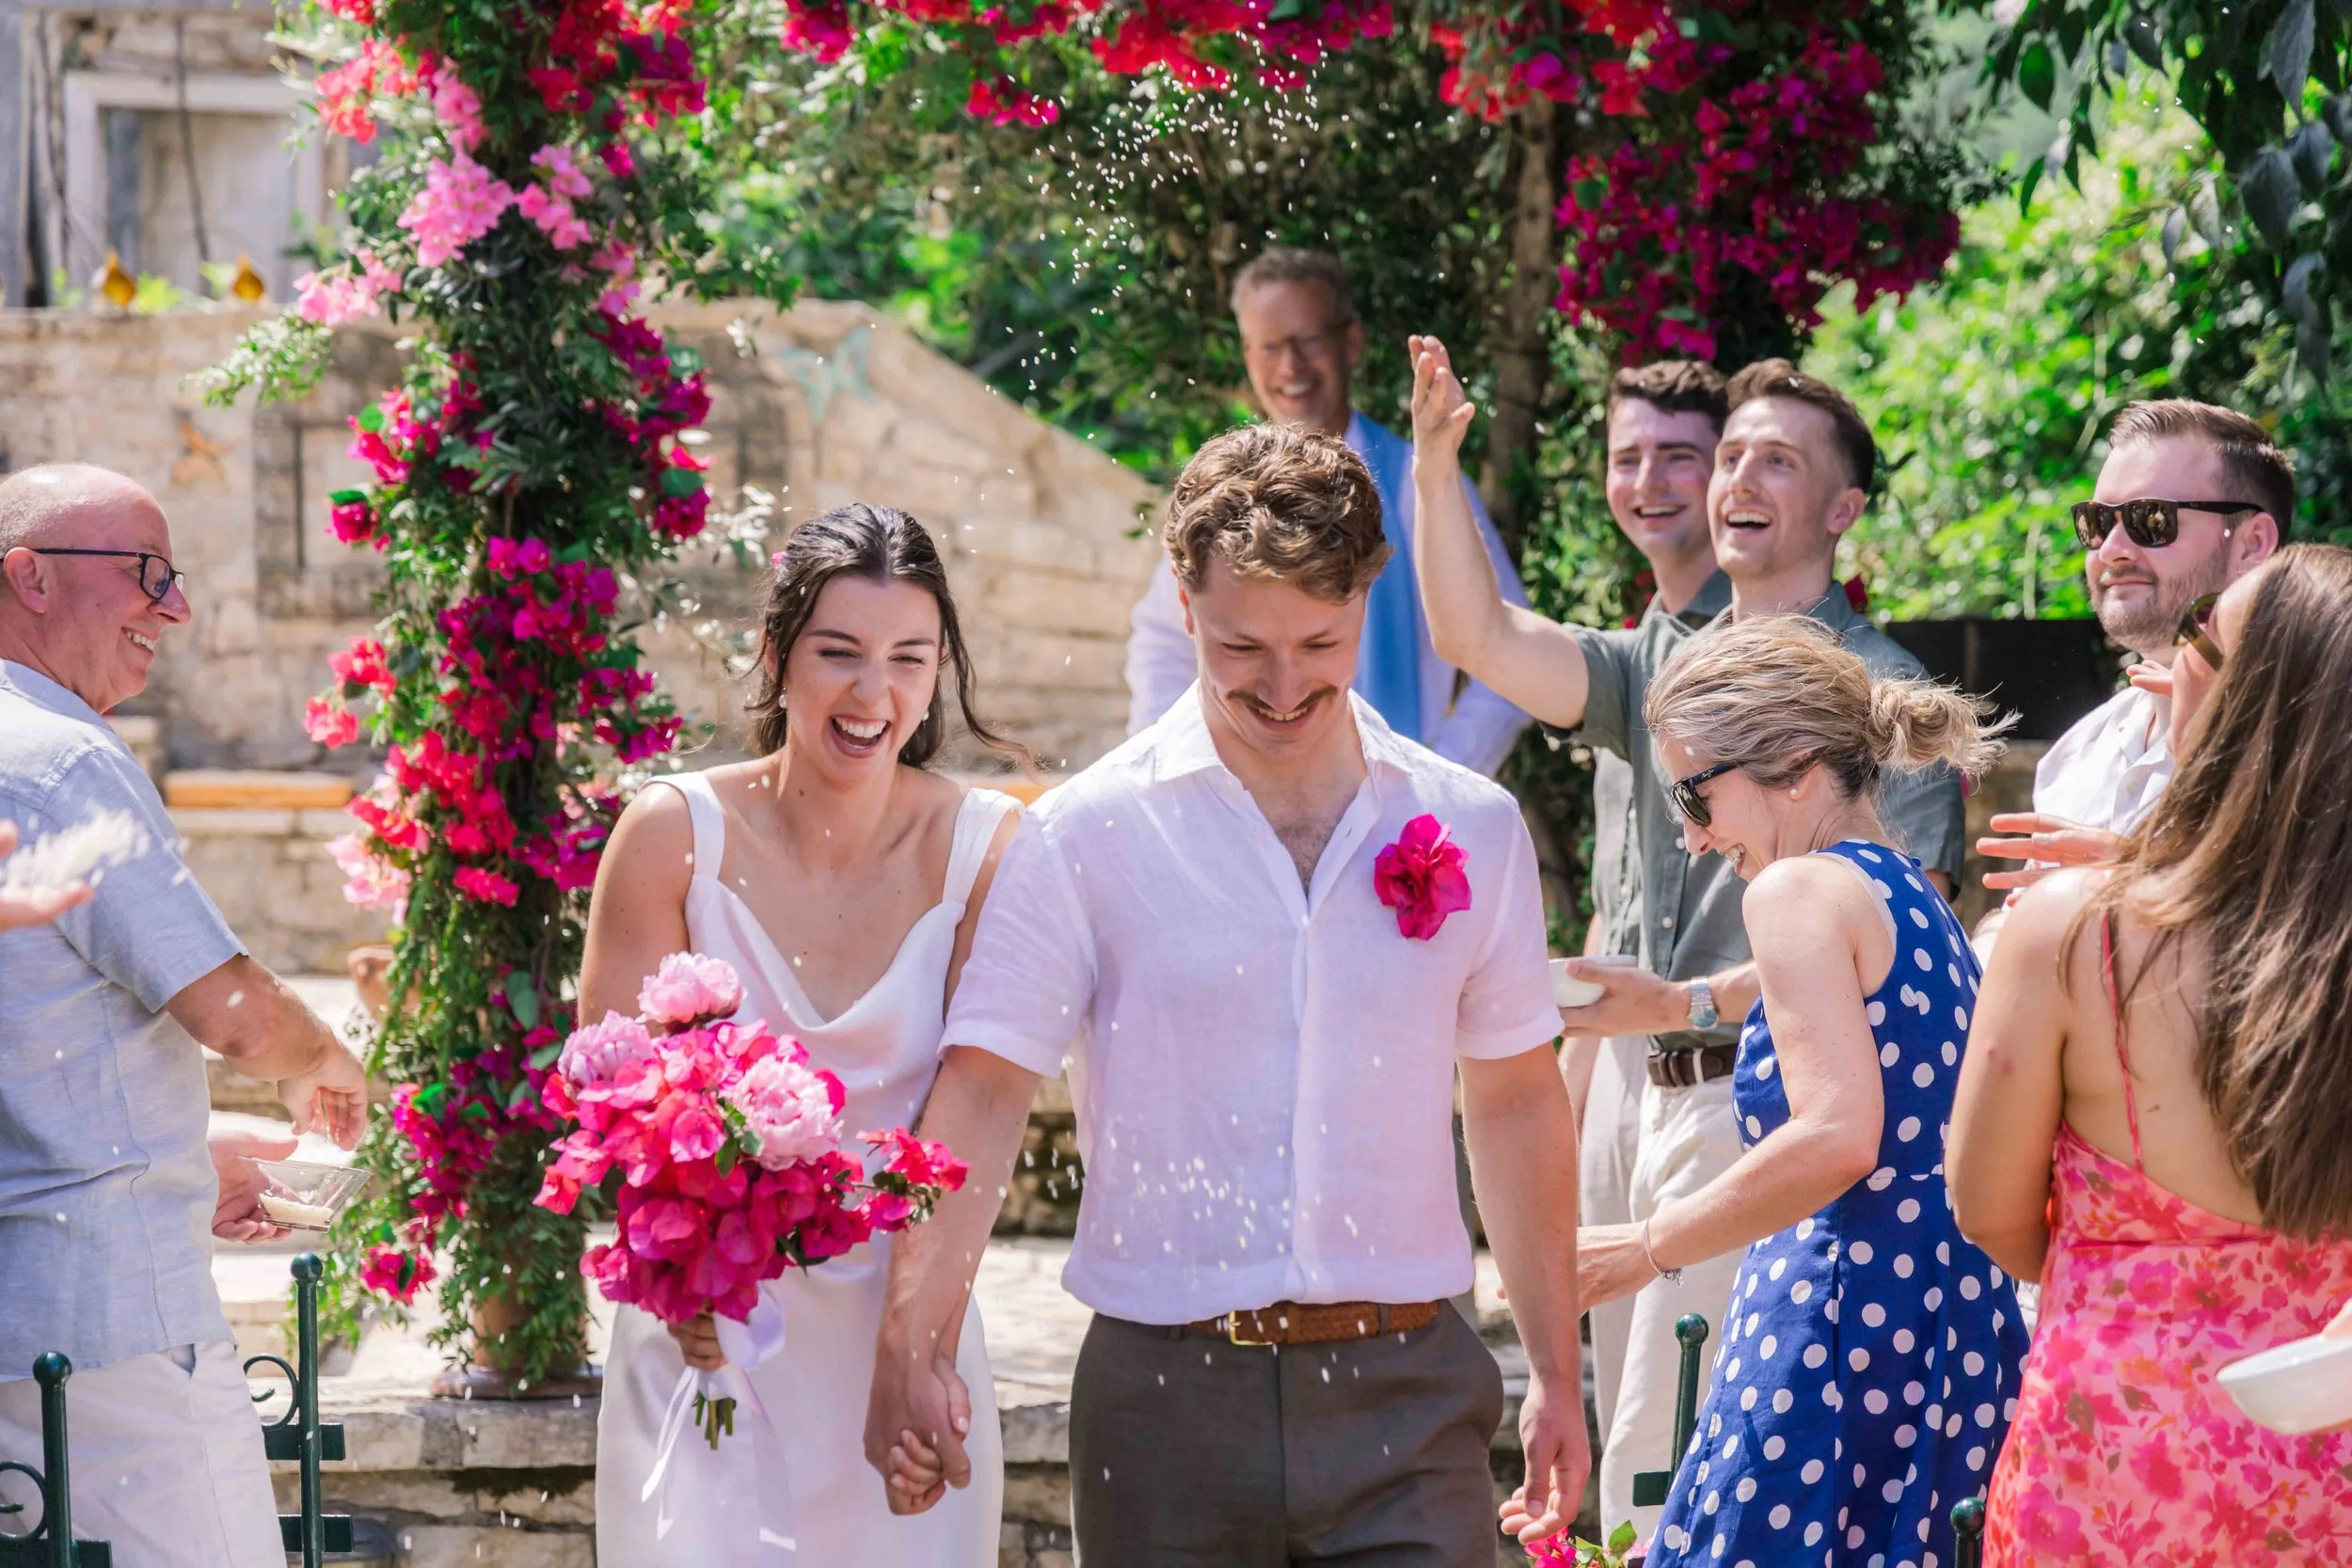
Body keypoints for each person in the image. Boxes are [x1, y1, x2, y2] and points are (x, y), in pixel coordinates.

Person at [866, 422, 1590, 1563]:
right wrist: (914, 1339)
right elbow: (986, 1090)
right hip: (1164, 1398)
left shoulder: (1472, 826)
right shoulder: (1082, 833)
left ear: (1369, 594)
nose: (1286, 682)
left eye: (1322, 638)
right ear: (1183, 599)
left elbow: (1512, 1099)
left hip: (1411, 1387)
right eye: (1244, 644)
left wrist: (1557, 1366)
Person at [1411, 341, 1967, 1537]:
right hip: (1916, 1303)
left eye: (1698, 802)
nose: (1696, 836)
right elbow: (1477, 635)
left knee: (1668, 1477)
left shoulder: (1809, 872)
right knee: (1644, 1450)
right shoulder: (1674, 663)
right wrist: (1435, 468)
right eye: (1732, 453)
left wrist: (1678, 1021)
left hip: (1810, 1259)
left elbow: (1836, 1116)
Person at [582, 503, 1022, 1564]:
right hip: (705, 1343)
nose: (874, 694)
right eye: (840, 653)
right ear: (778, 656)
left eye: (909, 659)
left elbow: (982, 1120)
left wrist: (913, 1346)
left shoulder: (988, 849)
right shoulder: (669, 835)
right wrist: (685, 1283)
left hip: (903, 1333)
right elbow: (605, 1114)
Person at [1582, 614, 2025, 1566]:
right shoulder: (1909, 892)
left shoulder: (1791, 894)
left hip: (1836, 1320)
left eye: (1692, 799)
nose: (1694, 840)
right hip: (1944, 1318)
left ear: (1790, 763)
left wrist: (1643, 1245)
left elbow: (1834, 1136)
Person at [1951, 544, 2352, 1563]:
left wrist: (2138, 1286)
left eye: (2195, 636)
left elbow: (1986, 1210)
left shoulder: (2067, 932)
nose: (2167, 662)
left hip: (2112, 1460)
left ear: (2237, 698)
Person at [0, 463, 369, 1568]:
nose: (177, 606)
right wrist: (326, 1059)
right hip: (114, 1334)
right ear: (29, 577)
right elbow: (238, 1012)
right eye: (148, 574)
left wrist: (178, 1154)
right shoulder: (59, 757)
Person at [1122, 246, 1529, 774]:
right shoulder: (1222, 496)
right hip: (1248, 808)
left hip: (1394, 826)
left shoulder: (1422, 481)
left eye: (1308, 339)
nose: (1290, 366)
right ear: (1247, 355)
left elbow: (1510, 656)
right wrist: (1167, 778)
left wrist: (1430, 778)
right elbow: (1164, 640)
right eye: (1270, 347)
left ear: (1350, 342)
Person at [1554, 360, 1734, 1544]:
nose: (1649, 478)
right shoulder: (1639, 649)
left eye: (1680, 453)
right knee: (1611, 1383)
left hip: (1725, 1069)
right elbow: (1616, 892)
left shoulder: (1765, 657)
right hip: (1617, 1070)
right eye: (1629, 453)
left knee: (1670, 1419)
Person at [1974, 402, 2286, 925]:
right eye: (2097, 522)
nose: (2112, 549)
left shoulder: (2316, 730)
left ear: (2252, 543)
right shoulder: (2078, 753)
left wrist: (2137, 880)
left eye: (2152, 518)